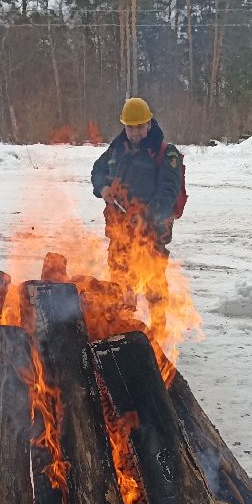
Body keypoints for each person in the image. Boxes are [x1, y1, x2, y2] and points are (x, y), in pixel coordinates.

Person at [90, 97, 183, 333]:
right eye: (130, 127)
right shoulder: (117, 148)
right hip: (119, 229)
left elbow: (168, 193)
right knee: (120, 280)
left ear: (149, 124)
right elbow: (98, 170)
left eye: (140, 126)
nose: (135, 133)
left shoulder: (166, 153)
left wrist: (145, 216)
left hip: (152, 231)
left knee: (153, 281)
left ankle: (159, 330)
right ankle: (123, 327)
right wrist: (103, 188)